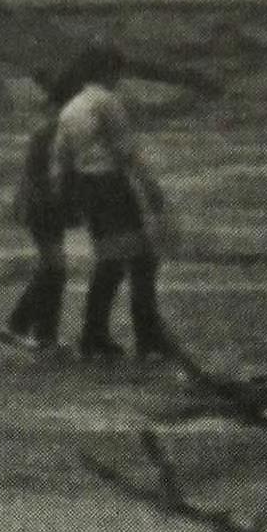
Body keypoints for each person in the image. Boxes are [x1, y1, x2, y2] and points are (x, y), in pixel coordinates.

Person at [48, 37, 173, 364]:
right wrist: (151, 187)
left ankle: (94, 335)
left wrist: (66, 197)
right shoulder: (106, 103)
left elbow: (60, 159)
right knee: (142, 261)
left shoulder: (72, 107)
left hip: (87, 188)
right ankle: (147, 337)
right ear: (108, 70)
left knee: (110, 262)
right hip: (111, 187)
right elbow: (126, 151)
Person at [2, 52, 94, 354]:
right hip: (43, 207)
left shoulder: (51, 128)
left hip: (42, 206)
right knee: (54, 268)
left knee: (53, 268)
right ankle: (28, 329)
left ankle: (36, 332)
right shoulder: (56, 131)